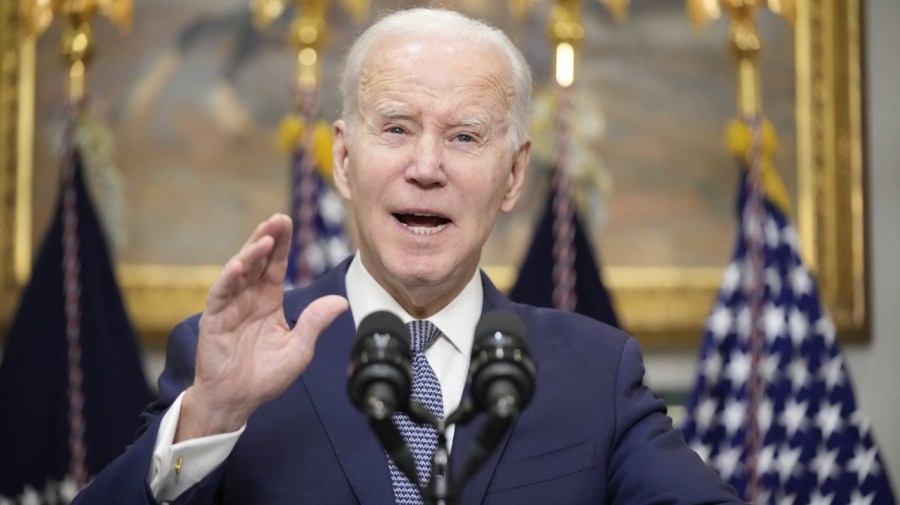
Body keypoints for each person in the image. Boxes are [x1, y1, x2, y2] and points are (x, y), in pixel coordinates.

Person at [74, 7, 743, 505]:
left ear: (513, 175)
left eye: (464, 135)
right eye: (396, 128)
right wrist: (212, 417)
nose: (427, 166)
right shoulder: (229, 363)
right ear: (342, 158)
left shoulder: (599, 372)